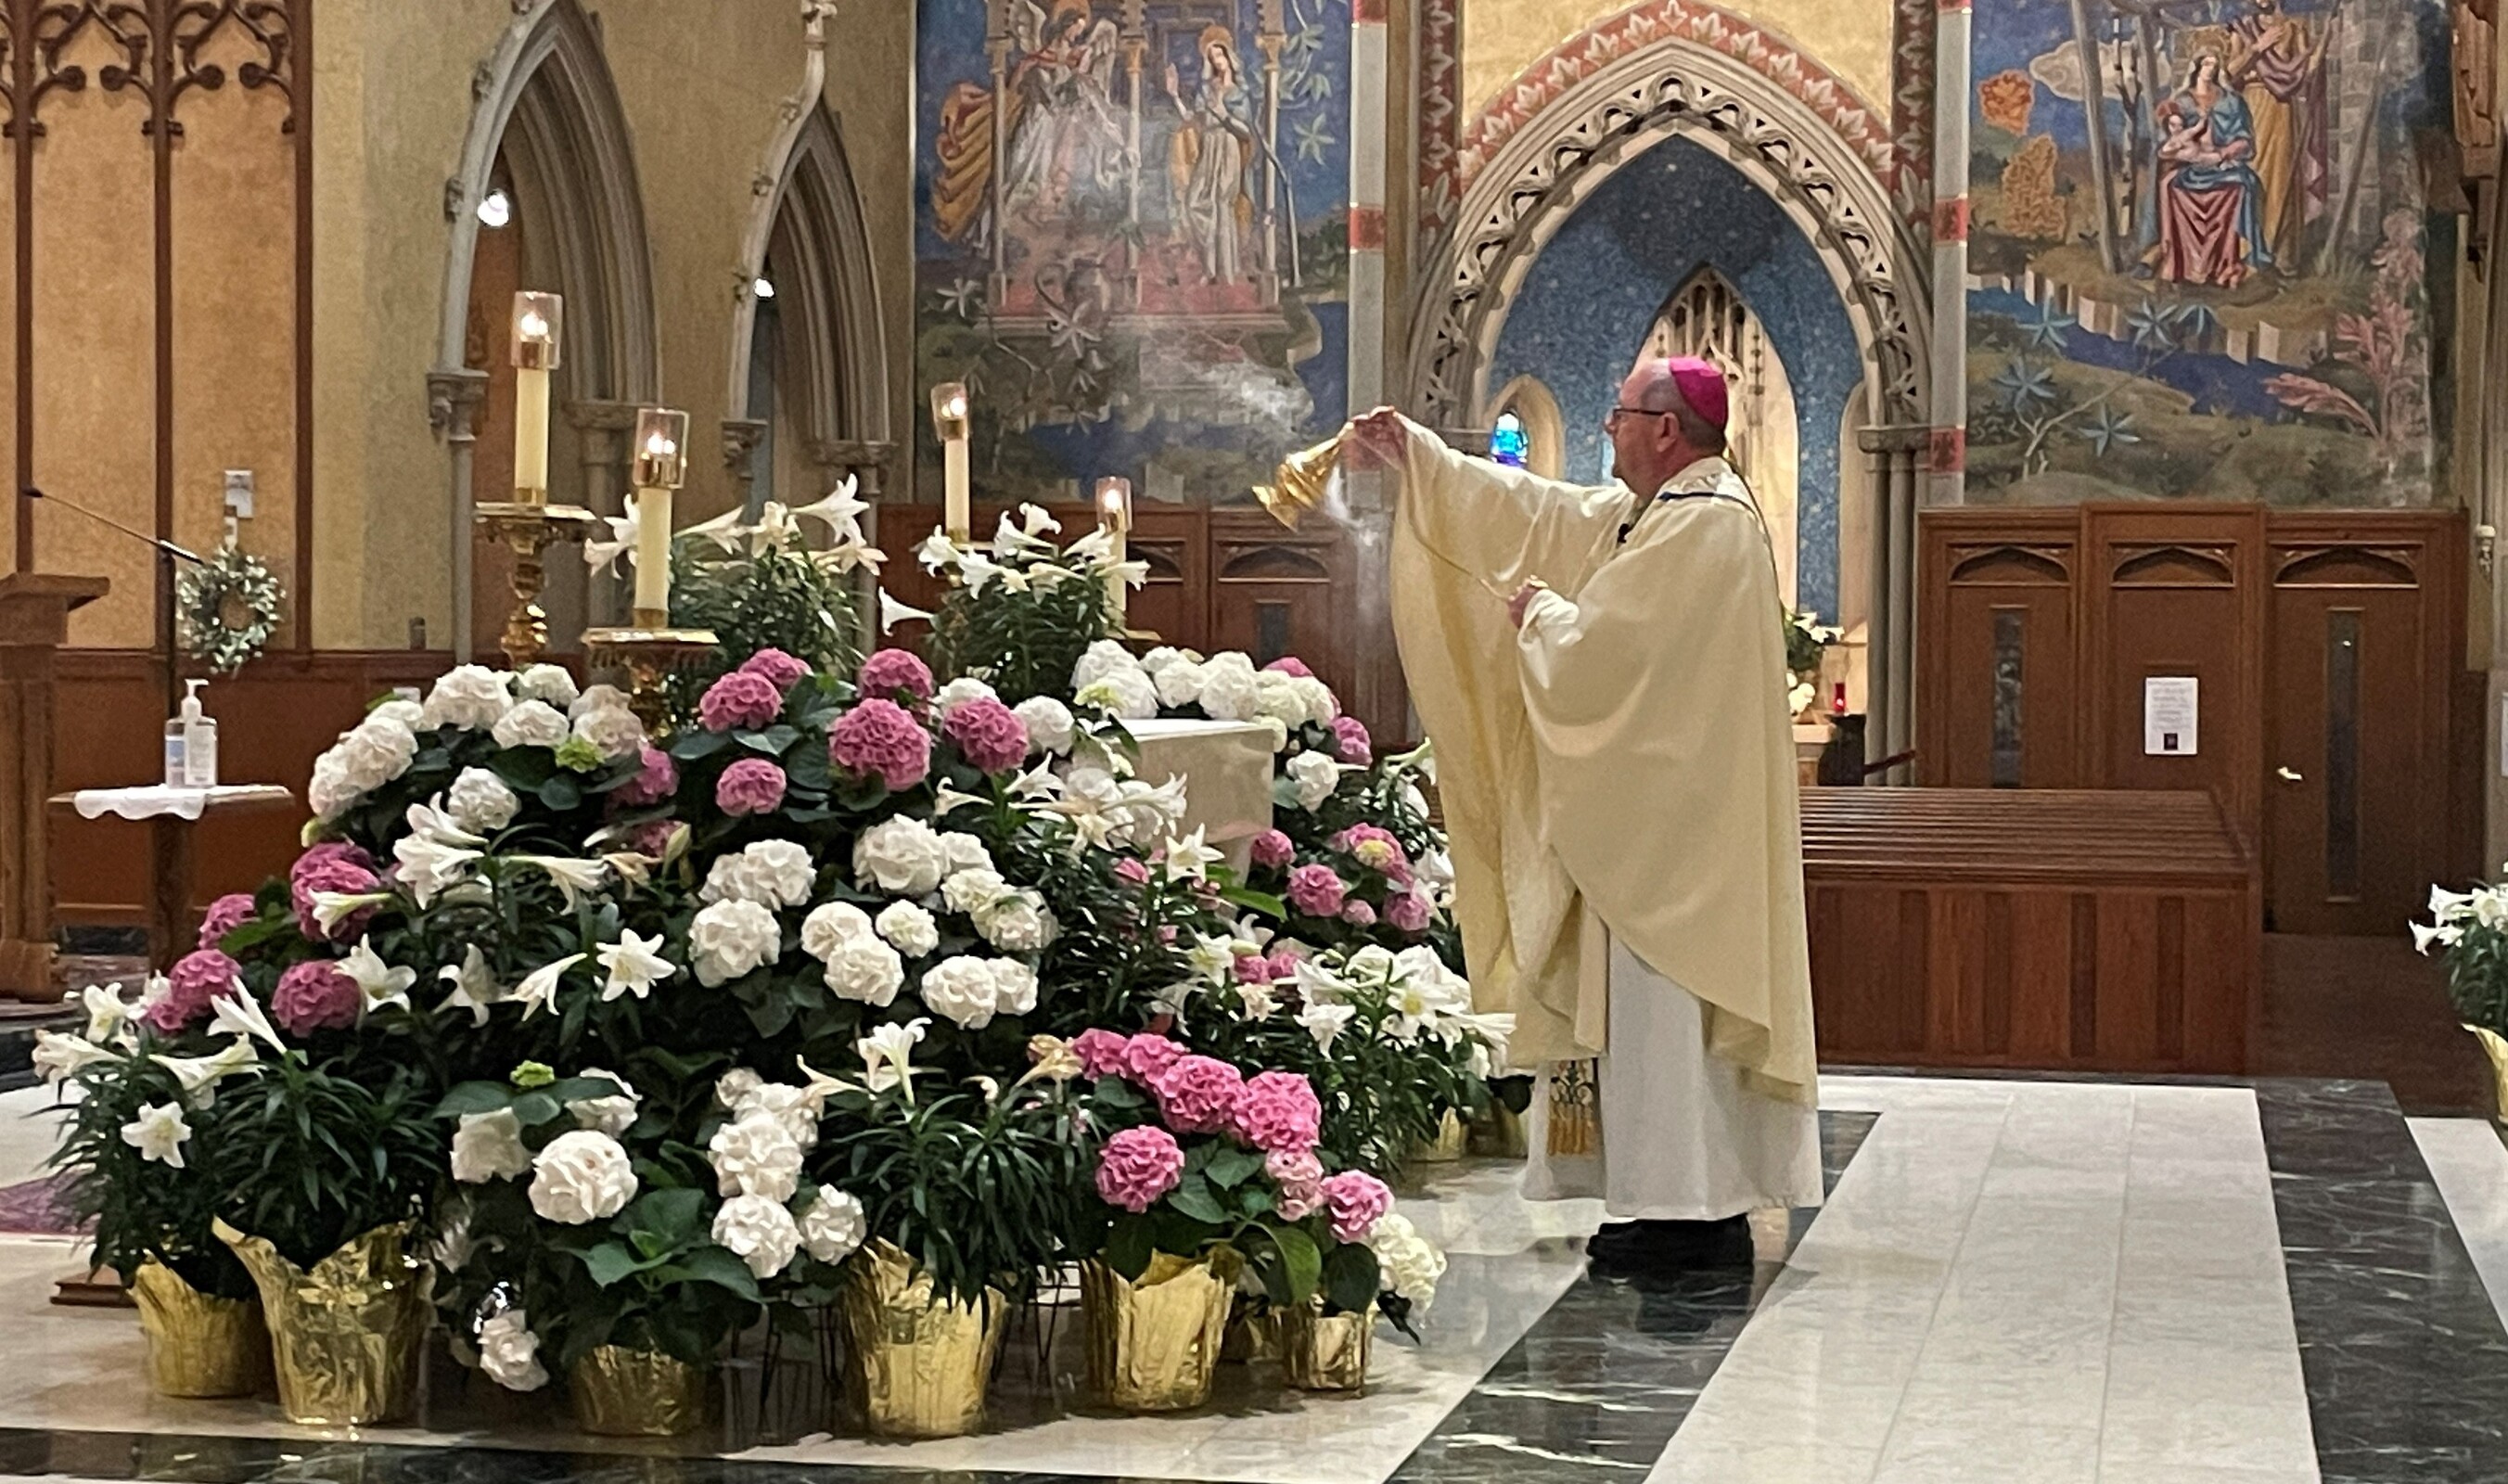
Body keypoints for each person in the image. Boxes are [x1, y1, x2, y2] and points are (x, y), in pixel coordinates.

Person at [1345, 358, 1823, 1270]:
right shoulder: (1657, 516)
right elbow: (1542, 512)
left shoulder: (1706, 525)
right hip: (1645, 833)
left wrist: (1541, 617)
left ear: (1667, 429)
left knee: (1672, 1028)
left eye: (1621, 413)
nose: (1608, 427)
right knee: (1642, 1034)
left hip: (1675, 853)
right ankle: (1659, 1201)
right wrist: (1424, 458)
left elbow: (1615, 653)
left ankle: (1695, 1213)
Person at [2151, 53, 2271, 288]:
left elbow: (2245, 141)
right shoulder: (2182, 102)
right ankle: (2181, 262)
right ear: (2196, 66)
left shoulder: (2231, 101)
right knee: (2169, 185)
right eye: (2206, 63)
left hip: (2223, 167)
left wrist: (2221, 154)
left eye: (2215, 65)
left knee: (2244, 185)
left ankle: (2235, 261)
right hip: (2191, 168)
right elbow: (2168, 139)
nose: (2210, 69)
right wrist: (2180, 154)